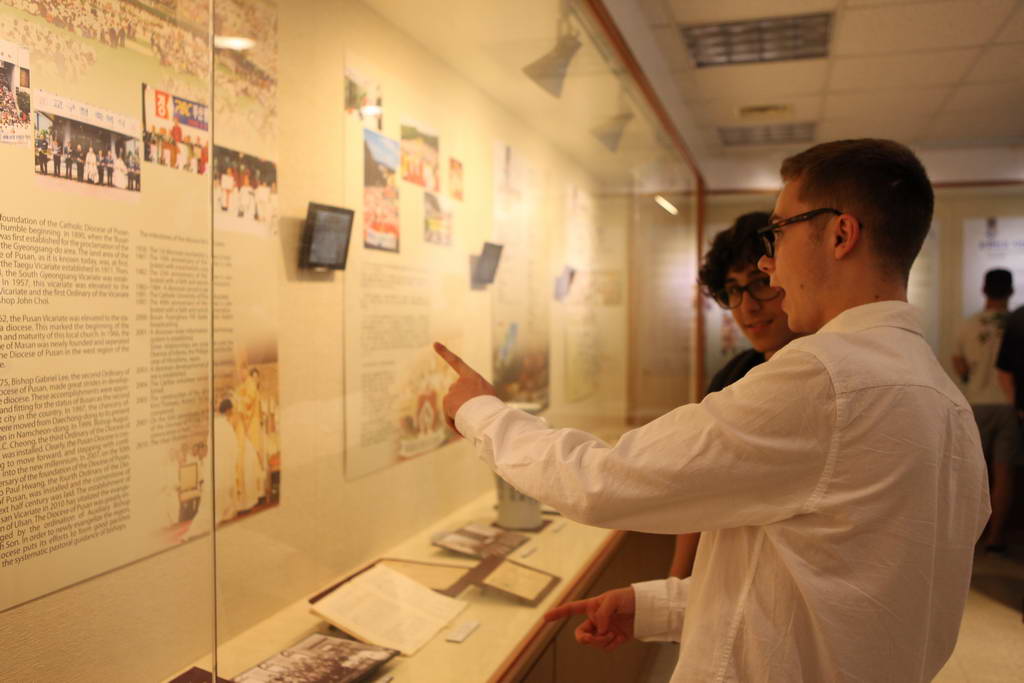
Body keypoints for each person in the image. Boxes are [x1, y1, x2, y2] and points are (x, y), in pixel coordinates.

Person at [434, 139, 990, 682]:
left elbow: (599, 481)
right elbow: (829, 589)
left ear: (841, 234)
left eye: (779, 232)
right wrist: (658, 607)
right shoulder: (945, 401)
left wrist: (479, 411)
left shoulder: (826, 379)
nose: (770, 263)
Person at [668, 211, 801, 579]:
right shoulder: (734, 373)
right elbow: (695, 486)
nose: (747, 306)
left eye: (761, 283)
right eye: (733, 290)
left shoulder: (819, 376)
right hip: (723, 579)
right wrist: (676, 582)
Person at [954, 269, 1019, 552]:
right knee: (1005, 473)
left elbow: (958, 361)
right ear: (1011, 291)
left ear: (984, 290)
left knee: (972, 472)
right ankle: (996, 537)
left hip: (976, 404)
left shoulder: (969, 324)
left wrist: (969, 376)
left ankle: (969, 536)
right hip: (1009, 405)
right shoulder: (1017, 323)